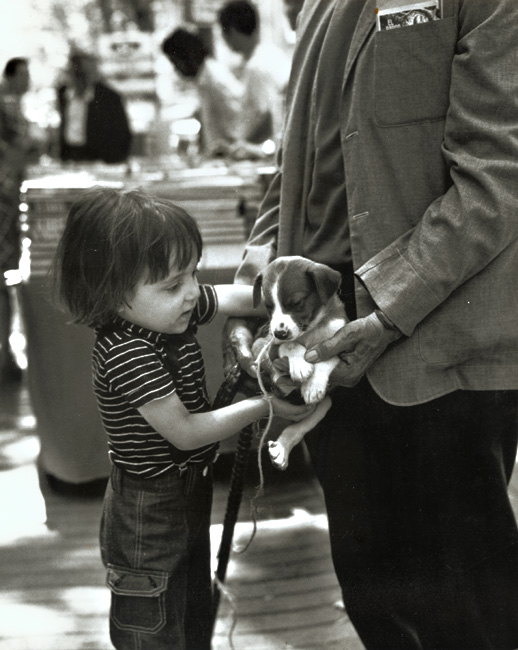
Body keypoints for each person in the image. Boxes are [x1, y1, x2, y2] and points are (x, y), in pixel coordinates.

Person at [224, 1, 518, 648]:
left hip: (437, 359)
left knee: (468, 612)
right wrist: (262, 277)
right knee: (373, 597)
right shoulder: (318, 8)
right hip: (330, 360)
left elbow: (498, 174)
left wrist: (386, 310)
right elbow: (294, 161)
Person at [53, 186, 313, 650]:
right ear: (109, 293)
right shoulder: (128, 351)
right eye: (174, 284)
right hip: (146, 511)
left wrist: (287, 309)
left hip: (186, 492)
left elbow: (236, 297)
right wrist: (263, 405)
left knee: (191, 609)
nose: (192, 292)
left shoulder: (169, 311)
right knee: (152, 628)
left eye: (192, 274)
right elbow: (187, 433)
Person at [0, 57, 35, 384]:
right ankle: (6, 357)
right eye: (25, 74)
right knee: (2, 281)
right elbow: (22, 147)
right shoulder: (7, 106)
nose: (29, 80)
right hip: (3, 204)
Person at [218, 0, 291, 154]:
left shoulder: (256, 66)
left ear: (232, 31)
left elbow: (265, 114)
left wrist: (243, 145)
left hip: (277, 146)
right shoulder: (271, 52)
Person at [161, 28, 244, 157]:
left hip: (231, 157)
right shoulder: (204, 80)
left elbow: (240, 120)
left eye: (175, 62)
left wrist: (232, 147)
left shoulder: (215, 79)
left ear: (186, 56)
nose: (176, 69)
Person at [56, 49, 132, 164]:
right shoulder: (64, 94)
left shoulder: (109, 98)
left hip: (97, 158)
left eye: (84, 72)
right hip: (70, 157)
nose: (80, 77)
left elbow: (123, 135)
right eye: (76, 72)